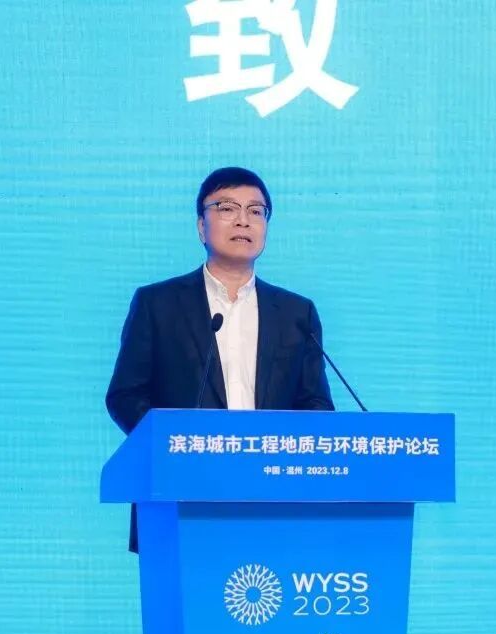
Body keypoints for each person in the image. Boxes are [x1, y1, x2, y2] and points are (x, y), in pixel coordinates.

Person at [106, 166, 334, 551]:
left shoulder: (296, 313)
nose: (243, 220)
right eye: (227, 208)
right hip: (180, 496)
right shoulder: (158, 304)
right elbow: (125, 395)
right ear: (201, 226)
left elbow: (316, 404)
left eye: (256, 211)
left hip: (274, 501)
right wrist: (176, 446)